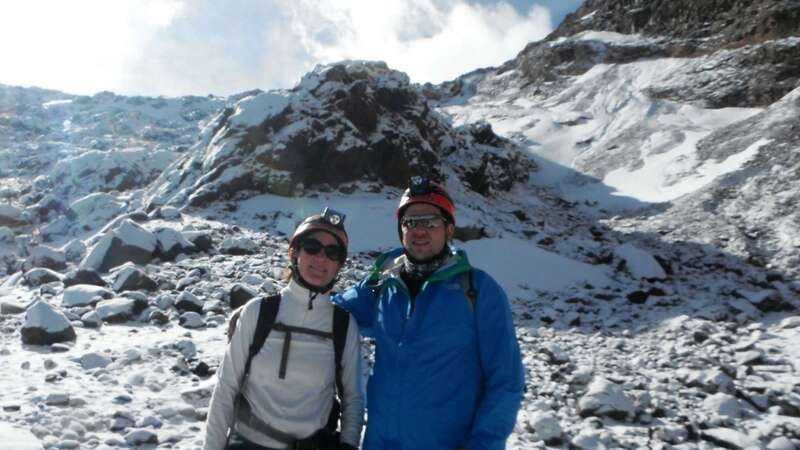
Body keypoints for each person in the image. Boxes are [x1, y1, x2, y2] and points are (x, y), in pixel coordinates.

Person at [334, 177, 525, 450]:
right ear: (401, 231)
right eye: (410, 222)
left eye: (430, 221)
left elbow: (506, 381)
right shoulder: (382, 283)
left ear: (449, 230)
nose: (419, 230)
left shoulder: (479, 291)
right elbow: (332, 314)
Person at [205, 208, 364, 450]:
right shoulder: (258, 312)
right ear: (294, 253)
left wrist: (348, 444)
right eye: (312, 247)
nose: (321, 259)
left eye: (332, 253)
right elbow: (226, 388)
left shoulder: (343, 326)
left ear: (339, 265)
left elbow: (353, 398)